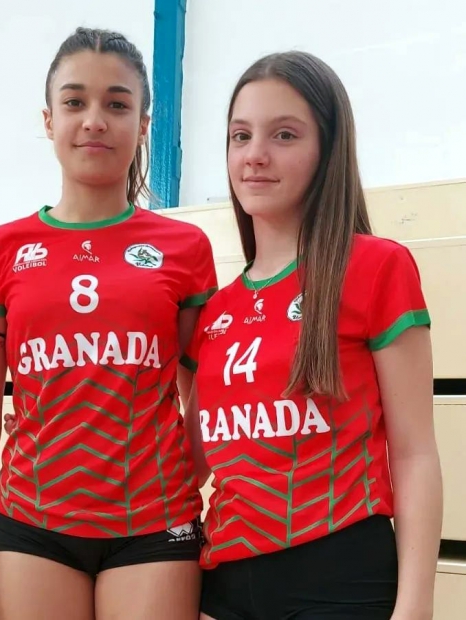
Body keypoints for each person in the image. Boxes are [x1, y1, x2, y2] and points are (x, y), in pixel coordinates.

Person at [0, 27, 217, 620]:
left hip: (155, 525)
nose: (95, 119)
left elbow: (206, 401)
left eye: (117, 104)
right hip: (36, 526)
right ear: (48, 120)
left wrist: (163, 484)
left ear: (143, 124)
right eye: (75, 102)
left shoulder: (185, 247)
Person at [181, 51, 443, 620]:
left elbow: (415, 453)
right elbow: (195, 461)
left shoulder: (376, 267)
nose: (255, 155)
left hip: (341, 581)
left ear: (328, 149)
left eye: (284, 135)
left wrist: (416, 604)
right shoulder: (215, 311)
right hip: (223, 585)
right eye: (240, 135)